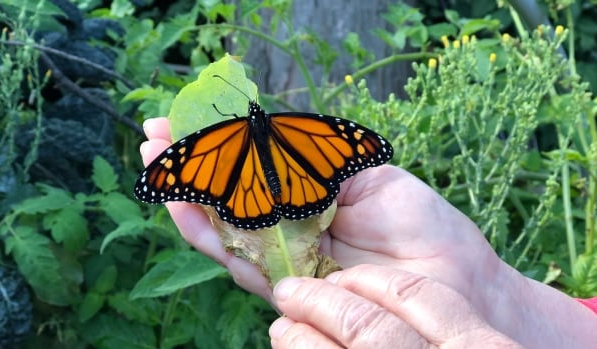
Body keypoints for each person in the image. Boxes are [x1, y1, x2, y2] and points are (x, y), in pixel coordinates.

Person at [139, 117, 597, 348]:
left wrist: (496, 294)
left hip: (254, 191)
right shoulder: (300, 130)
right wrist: (500, 295)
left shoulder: (221, 142)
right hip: (291, 183)